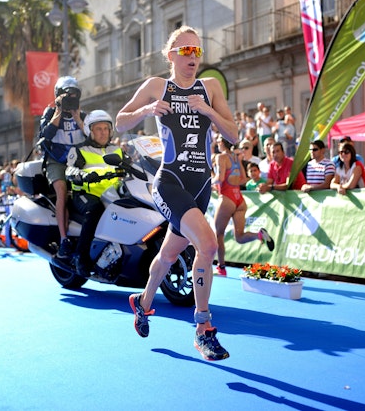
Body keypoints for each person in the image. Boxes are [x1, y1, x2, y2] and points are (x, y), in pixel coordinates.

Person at [115, 25, 237, 361]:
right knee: (208, 245)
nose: (193, 57)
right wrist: (146, 111)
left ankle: (142, 303)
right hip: (169, 182)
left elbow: (234, 134)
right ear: (171, 56)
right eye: (186, 51)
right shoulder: (157, 86)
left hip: (201, 187)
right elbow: (120, 121)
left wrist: (208, 110)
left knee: (169, 254)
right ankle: (203, 328)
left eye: (197, 51)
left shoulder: (210, 88)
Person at [68, 110, 123, 275]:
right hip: (86, 194)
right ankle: (81, 257)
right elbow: (70, 170)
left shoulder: (117, 150)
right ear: (89, 131)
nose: (103, 132)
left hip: (112, 194)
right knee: (95, 209)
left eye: (106, 128)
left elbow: (134, 165)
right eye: (99, 129)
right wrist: (82, 175)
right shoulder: (80, 149)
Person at [39, 76, 86, 261]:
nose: (70, 98)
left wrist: (78, 118)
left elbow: (92, 136)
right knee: (62, 191)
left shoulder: (82, 114)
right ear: (58, 95)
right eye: (67, 95)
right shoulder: (50, 112)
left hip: (79, 162)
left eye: (74, 95)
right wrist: (58, 111)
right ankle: (63, 238)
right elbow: (45, 135)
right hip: (56, 161)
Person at [212, 135, 274, 277]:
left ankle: (221, 268)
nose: (217, 143)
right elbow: (243, 179)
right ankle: (259, 235)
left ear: (222, 143)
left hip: (227, 198)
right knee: (239, 237)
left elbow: (220, 178)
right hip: (239, 199)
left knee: (219, 234)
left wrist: (209, 182)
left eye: (218, 141)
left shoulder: (221, 157)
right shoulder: (236, 158)